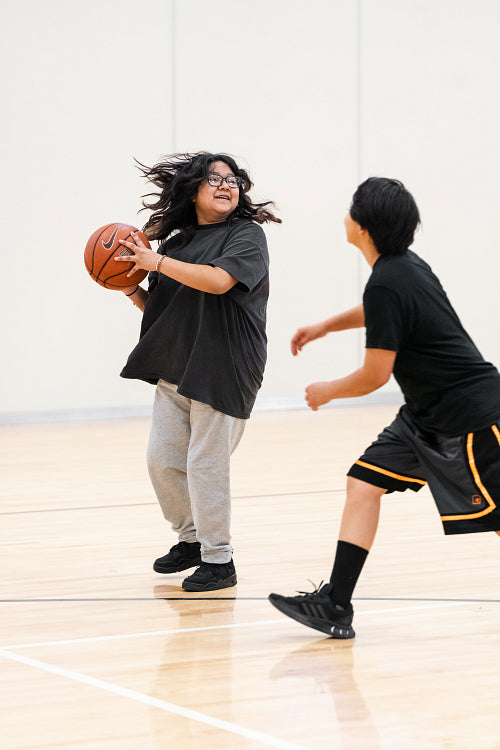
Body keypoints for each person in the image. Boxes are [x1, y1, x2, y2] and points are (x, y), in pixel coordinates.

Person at [268, 177, 500, 638]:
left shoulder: (392, 279)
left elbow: (375, 376)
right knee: (363, 483)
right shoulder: (403, 269)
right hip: (423, 418)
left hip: (468, 419)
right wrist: (326, 327)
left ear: (364, 225)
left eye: (351, 208)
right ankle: (335, 604)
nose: (346, 214)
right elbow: (380, 309)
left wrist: (327, 390)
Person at [114, 151, 280, 591]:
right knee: (163, 461)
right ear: (192, 191)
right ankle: (191, 540)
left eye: (233, 180)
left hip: (225, 366)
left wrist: (156, 265)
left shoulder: (246, 235)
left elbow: (218, 282)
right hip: (177, 365)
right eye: (214, 179)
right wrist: (132, 288)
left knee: (205, 464)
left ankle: (219, 560)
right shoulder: (176, 245)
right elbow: (165, 311)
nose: (227, 186)